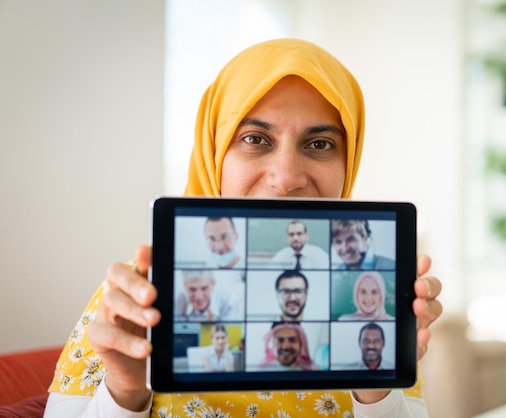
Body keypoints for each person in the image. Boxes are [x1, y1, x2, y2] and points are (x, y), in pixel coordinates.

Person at [44, 38, 443, 417]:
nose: (286, 177)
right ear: (214, 154)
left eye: (319, 144)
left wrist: (375, 385)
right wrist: (125, 389)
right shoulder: (133, 298)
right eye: (255, 138)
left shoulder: (369, 301)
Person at [174, 269, 241, 321]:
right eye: (192, 289)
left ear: (213, 284)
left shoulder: (228, 303)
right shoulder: (178, 301)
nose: (198, 297)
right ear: (184, 286)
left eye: (204, 288)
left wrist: (211, 329)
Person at [331, 219, 395, 270]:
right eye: (338, 242)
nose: (345, 248)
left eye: (351, 240)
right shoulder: (337, 274)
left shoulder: (391, 267)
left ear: (365, 240)